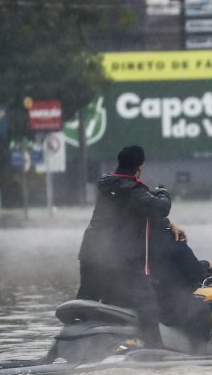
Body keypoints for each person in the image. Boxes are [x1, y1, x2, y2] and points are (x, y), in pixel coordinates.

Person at [77, 145, 183, 348]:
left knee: (86, 304)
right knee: (147, 305)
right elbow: (160, 208)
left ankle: (76, 346)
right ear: (140, 167)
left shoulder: (108, 185)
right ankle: (155, 350)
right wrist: (163, 192)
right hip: (121, 260)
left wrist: (170, 224)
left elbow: (133, 211)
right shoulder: (132, 190)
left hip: (91, 254)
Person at [149, 220, 212, 353]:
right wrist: (205, 266)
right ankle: (199, 353)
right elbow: (194, 271)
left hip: (135, 298)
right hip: (164, 307)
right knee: (199, 309)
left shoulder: (129, 234)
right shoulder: (170, 237)